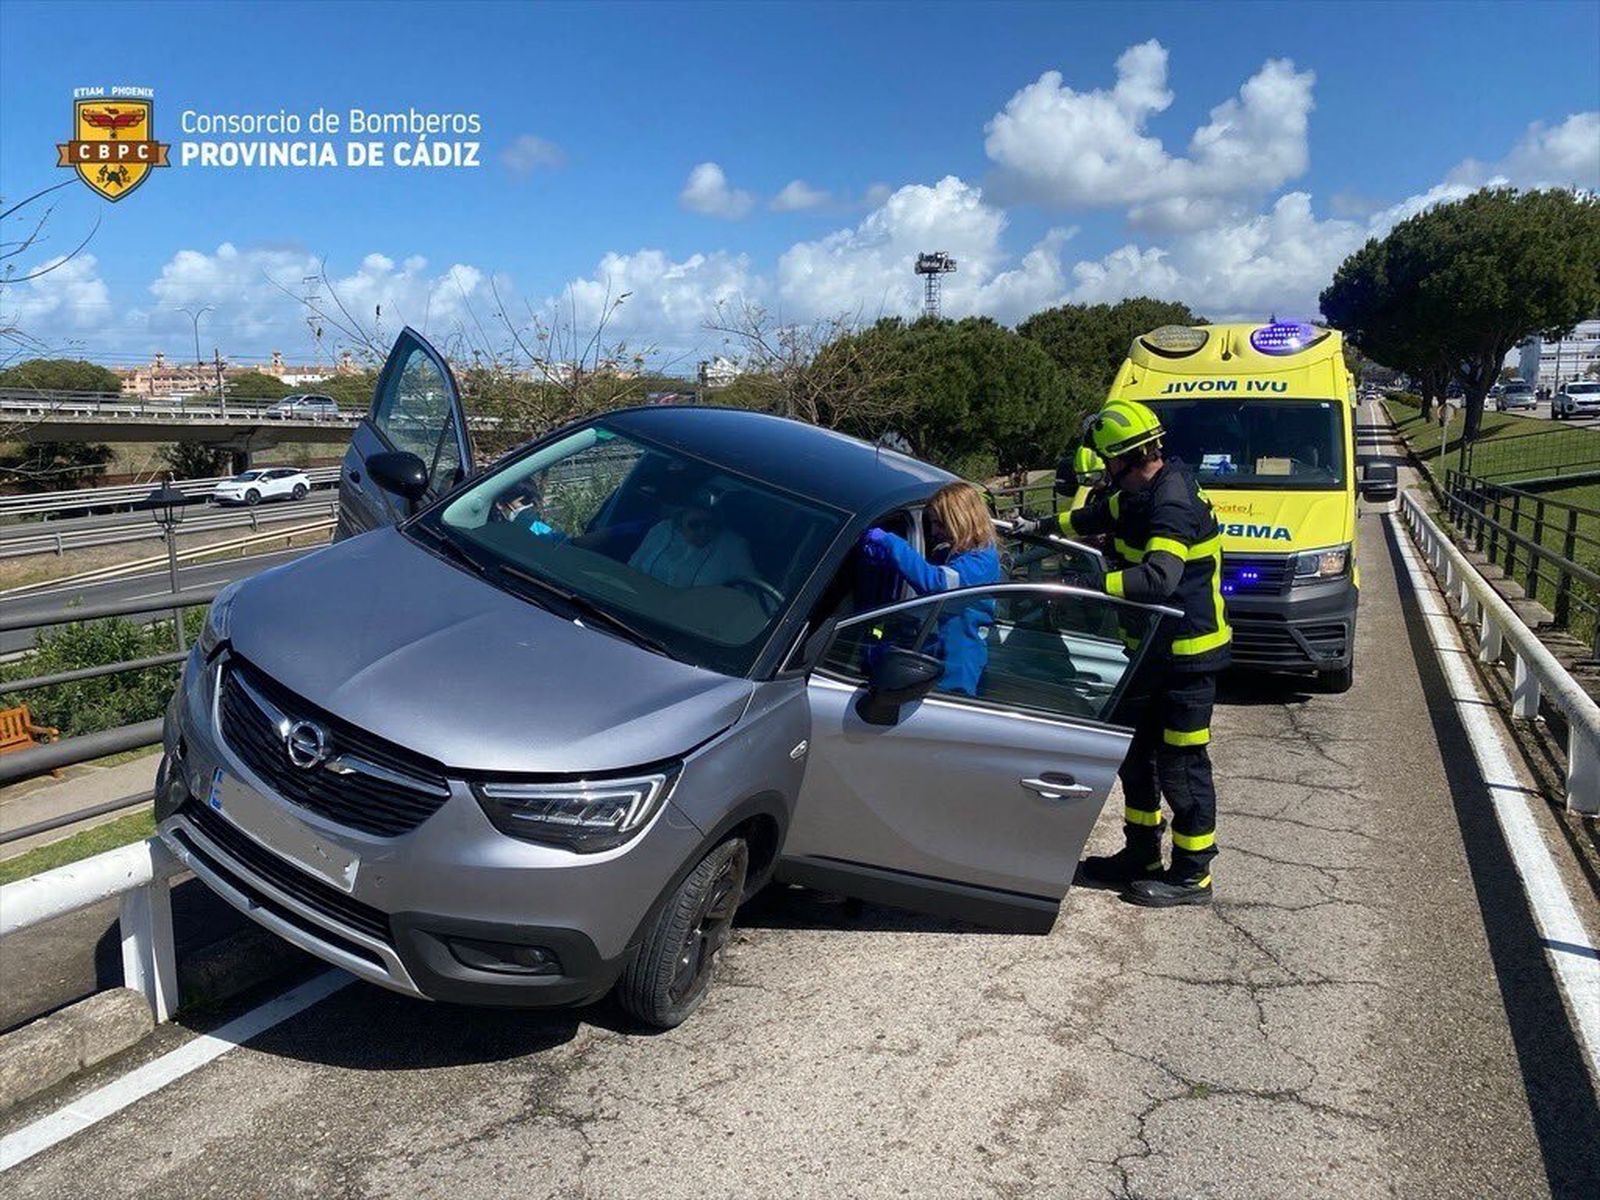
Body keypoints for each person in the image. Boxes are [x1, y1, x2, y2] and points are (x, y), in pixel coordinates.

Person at [1015, 399, 1229, 907]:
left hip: (1187, 660)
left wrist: (1089, 583)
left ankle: (1192, 876)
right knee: (1135, 757)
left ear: (1125, 458)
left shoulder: (1171, 502)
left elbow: (1158, 578)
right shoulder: (1143, 488)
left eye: (1108, 462)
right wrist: (1041, 528)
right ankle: (1141, 855)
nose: (1106, 472)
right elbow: (1097, 513)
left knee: (1181, 764)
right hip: (1151, 653)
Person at [860, 481, 1002, 696]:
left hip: (956, 671)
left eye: (939, 524)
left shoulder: (980, 562)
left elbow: (937, 585)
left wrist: (891, 544)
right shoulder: (956, 555)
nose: (934, 531)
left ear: (959, 520)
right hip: (938, 657)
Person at [629, 487, 756, 587]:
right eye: (695, 524)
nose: (703, 530)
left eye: (710, 524)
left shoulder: (733, 546)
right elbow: (633, 568)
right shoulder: (662, 530)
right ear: (680, 521)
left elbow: (751, 589)